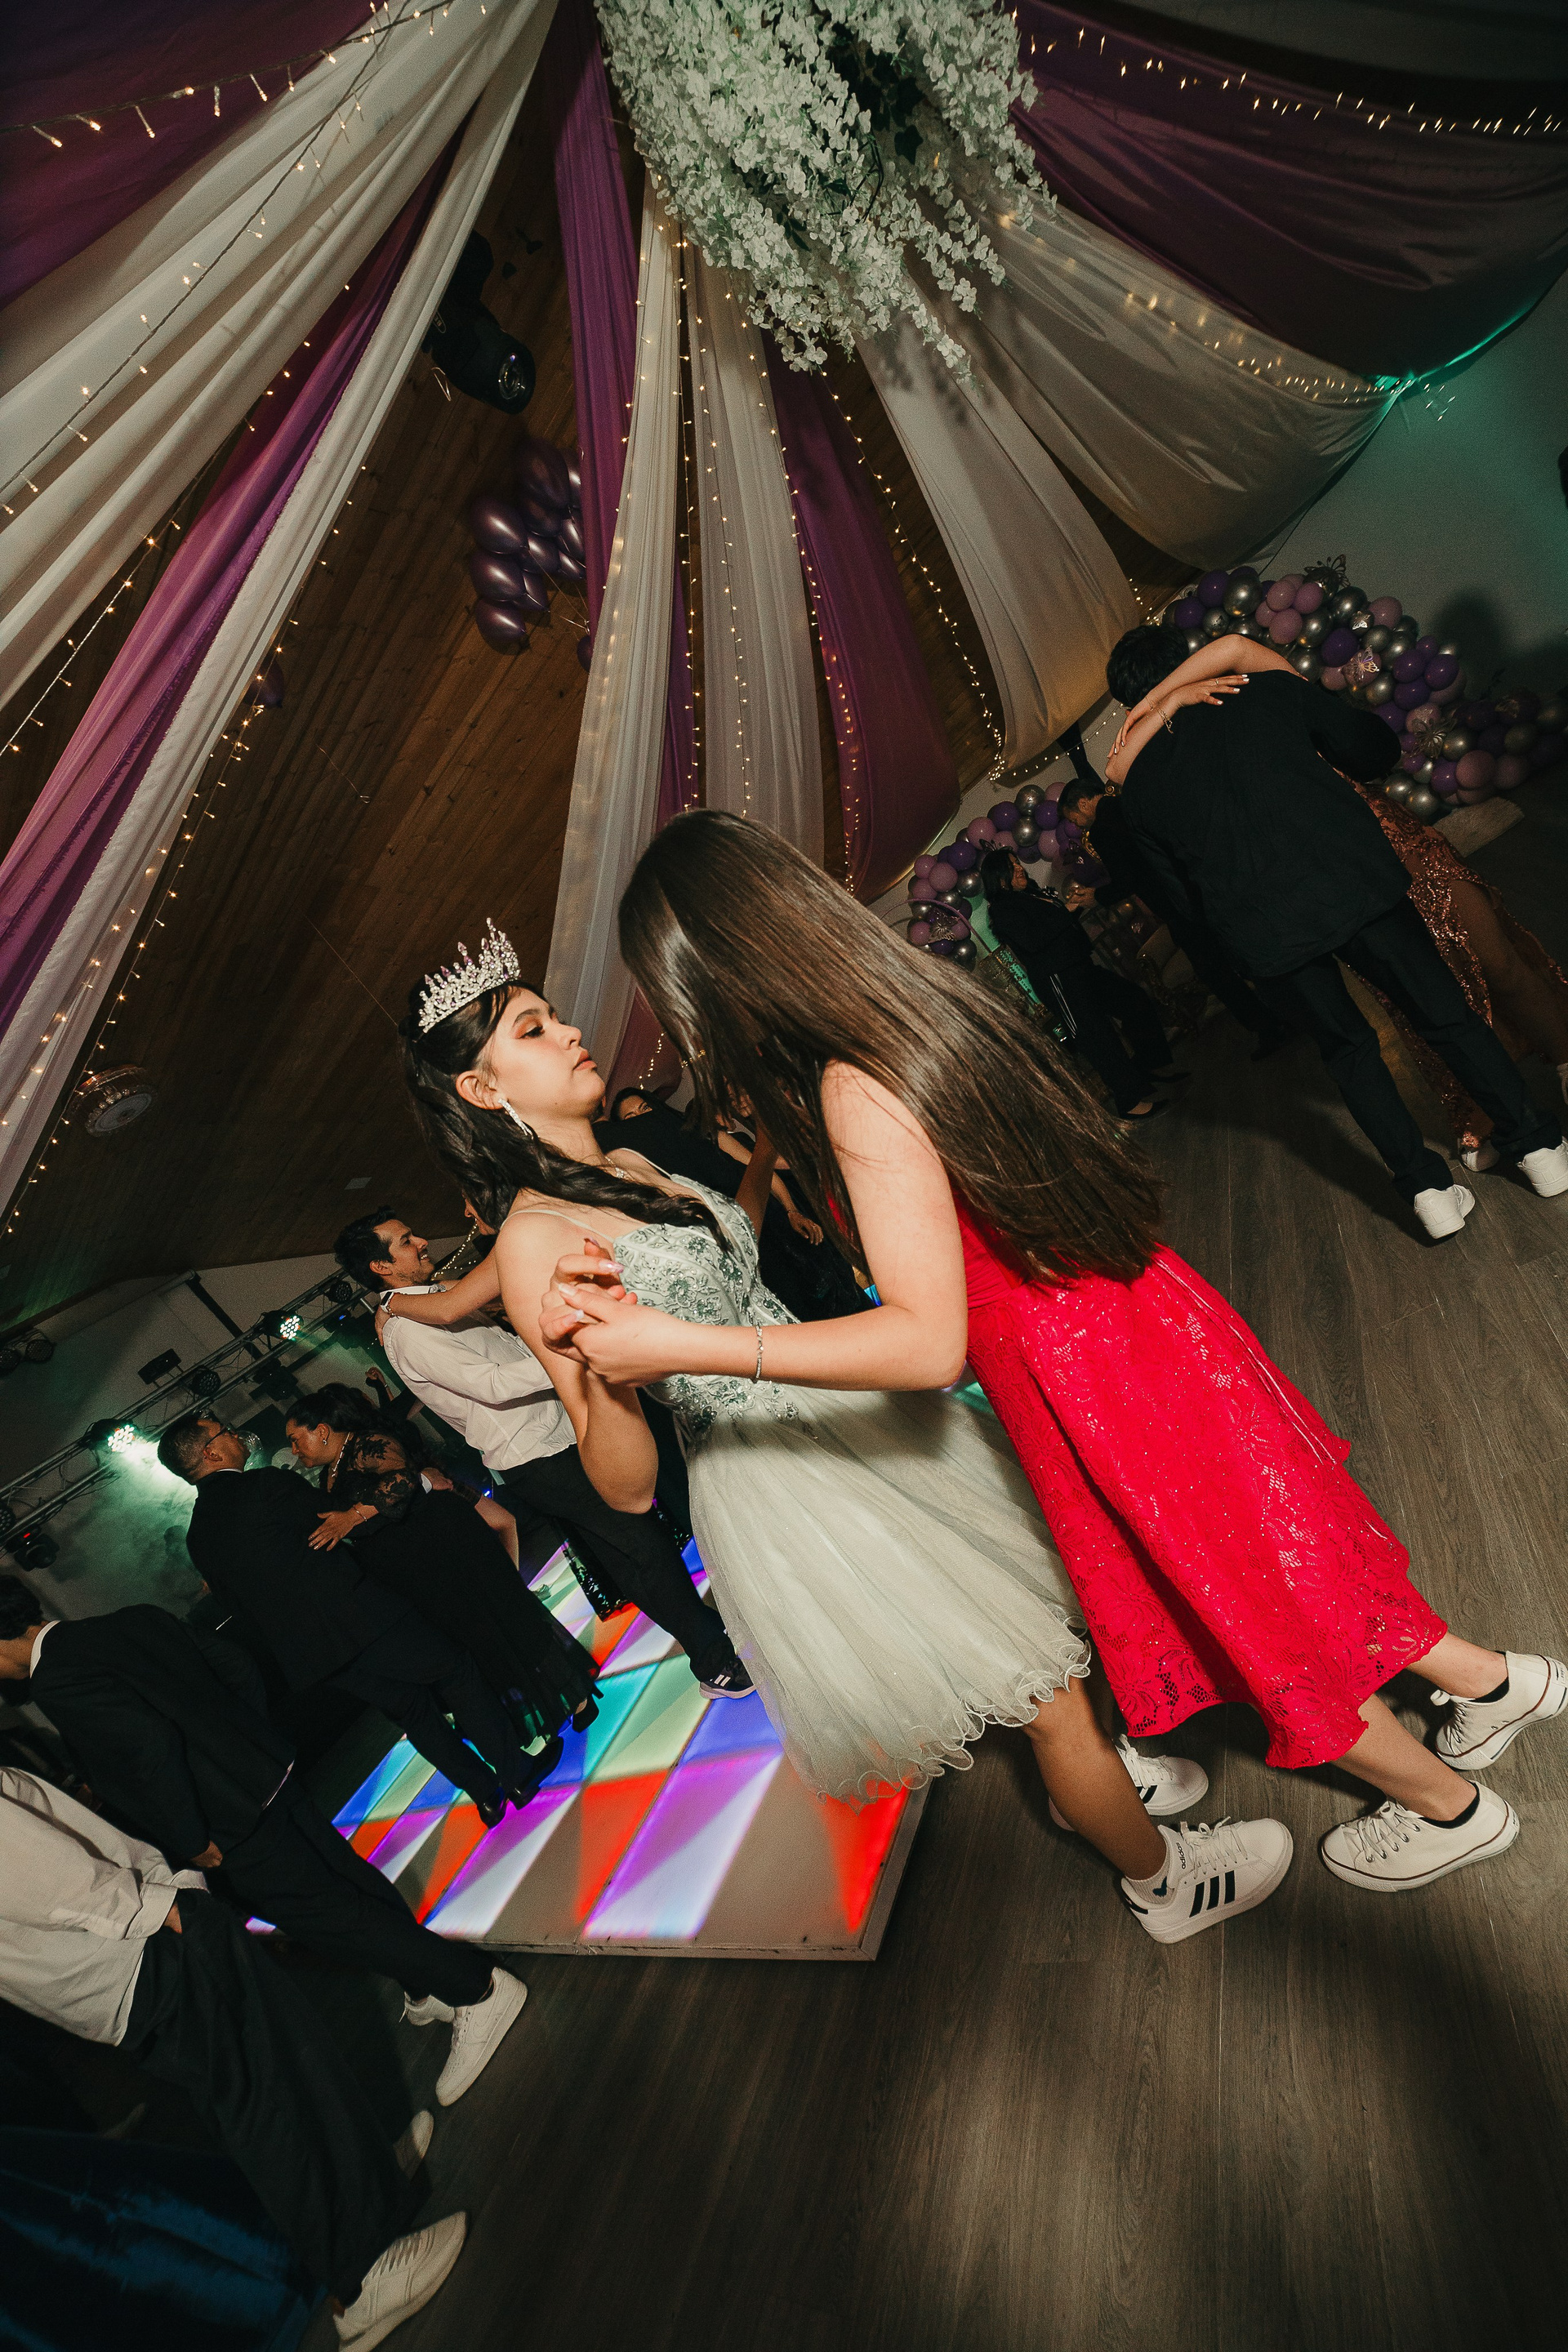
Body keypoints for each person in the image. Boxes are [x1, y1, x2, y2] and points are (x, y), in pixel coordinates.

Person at [554, 808, 1566, 1911]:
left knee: (1250, 1605)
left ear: (718, 972)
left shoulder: (852, 1086)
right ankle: (1497, 1686)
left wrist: (680, 1343)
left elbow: (925, 1342)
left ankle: (1450, 1811)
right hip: (1123, 1312)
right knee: (1282, 1550)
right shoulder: (912, 1006)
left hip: (1082, 1372)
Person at [397, 920, 1231, 1947]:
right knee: (1041, 1684)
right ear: (483, 1090)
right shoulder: (534, 1242)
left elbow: (726, 1269)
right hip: (787, 1480)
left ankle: (1100, 1778)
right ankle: (1164, 1882)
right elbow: (624, 1489)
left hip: (846, 1407)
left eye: (554, 1014)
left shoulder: (630, 1163)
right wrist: (606, 1375)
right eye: (534, 1029)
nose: (572, 1031)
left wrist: (764, 1171)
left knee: (1043, 1611)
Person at [1101, 624, 1568, 1239]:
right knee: (1445, 1016)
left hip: (1265, 933)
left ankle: (1427, 1193)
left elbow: (1183, 901)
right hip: (1353, 882)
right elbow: (1372, 751)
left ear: (1131, 703)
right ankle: (1538, 1150)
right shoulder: (1263, 691)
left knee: (1350, 1056)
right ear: (1187, 660)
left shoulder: (1136, 788)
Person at [0, 1764, 468, 2345]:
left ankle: (369, 2192)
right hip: (134, 1952)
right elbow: (41, 1876)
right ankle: (362, 2275)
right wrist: (164, 1911)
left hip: (120, 1963)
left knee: (277, 2071)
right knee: (266, 2102)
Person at [0, 1579, 511, 2068]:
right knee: (347, 1879)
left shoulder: (56, 1682)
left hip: (226, 1819)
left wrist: (190, 1837)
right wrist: (246, 1741)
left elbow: (150, 1750)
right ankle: (424, 1984)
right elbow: (234, 1664)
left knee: (330, 1918)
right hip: (269, 1773)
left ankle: (478, 1990)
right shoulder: (129, 1621)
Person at [340, 1206, 752, 1698]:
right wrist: (570, 1354)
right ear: (381, 1267)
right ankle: (714, 1659)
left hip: (558, 1435)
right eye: (406, 1240)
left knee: (628, 1553)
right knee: (641, 1544)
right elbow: (492, 1384)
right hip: (537, 1457)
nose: (422, 1241)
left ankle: (710, 1649)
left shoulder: (426, 1303)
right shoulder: (407, 1329)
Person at [162, 1412, 541, 1830]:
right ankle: (517, 1774)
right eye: (225, 1432)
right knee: (455, 1671)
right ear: (211, 1452)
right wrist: (410, 1488)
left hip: (311, 1656)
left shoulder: (197, 1536)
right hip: (360, 1619)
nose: (235, 1435)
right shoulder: (265, 1485)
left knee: (412, 1712)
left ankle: (485, 1793)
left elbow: (238, 1606)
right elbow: (344, 1522)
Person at [283, 1383, 590, 1775]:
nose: (294, 1450)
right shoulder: (328, 1474)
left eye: (296, 1439)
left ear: (323, 1430)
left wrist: (354, 1515)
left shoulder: (365, 1444)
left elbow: (404, 1479)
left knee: (506, 1619)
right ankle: (538, 1714)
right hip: (417, 1571)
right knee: (477, 1641)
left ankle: (576, 1696)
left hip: (446, 1549)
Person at [1054, 775, 1287, 1057]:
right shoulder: (1132, 802)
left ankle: (1266, 1027)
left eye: (1075, 818)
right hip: (1202, 889)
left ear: (1083, 803)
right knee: (1245, 954)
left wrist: (1097, 896)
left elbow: (1128, 879)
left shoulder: (1102, 830)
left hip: (1176, 906)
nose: (1078, 825)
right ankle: (1290, 1009)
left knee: (1216, 973)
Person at [980, 848, 1181, 1120]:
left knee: (1133, 1000)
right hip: (1060, 980)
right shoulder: (1003, 909)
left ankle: (1150, 1066)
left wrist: (1071, 907)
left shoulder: (1031, 892)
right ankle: (1130, 1101)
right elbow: (1034, 940)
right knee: (1097, 1037)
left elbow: (1057, 925)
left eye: (1017, 863)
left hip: (1081, 967)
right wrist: (1066, 910)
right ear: (999, 878)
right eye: (1011, 866)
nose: (1019, 868)